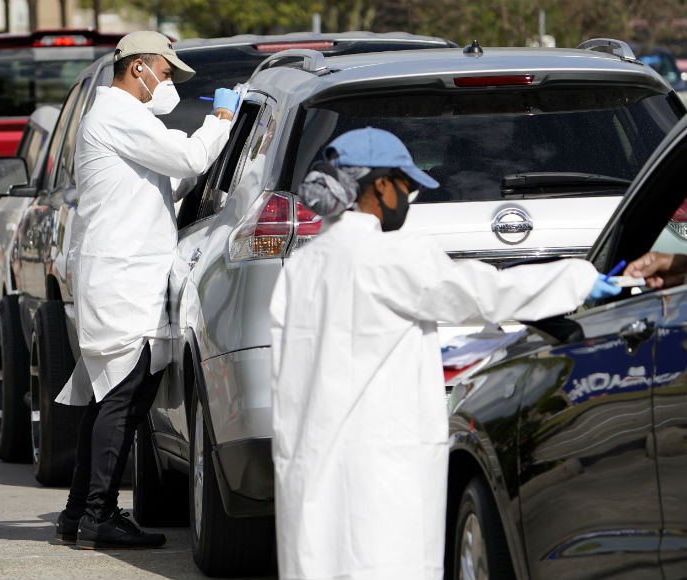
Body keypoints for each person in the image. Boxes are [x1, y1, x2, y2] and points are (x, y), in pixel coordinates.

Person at [268, 127, 620, 580]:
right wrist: (580, 280)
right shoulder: (386, 257)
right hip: (380, 473)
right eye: (406, 185)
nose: (409, 197)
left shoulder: (300, 268)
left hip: (310, 473)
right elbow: (482, 292)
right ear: (380, 185)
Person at [52, 31, 238, 550]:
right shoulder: (117, 115)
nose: (170, 82)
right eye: (166, 70)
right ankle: (98, 516)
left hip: (123, 275)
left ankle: (78, 513)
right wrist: (222, 120)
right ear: (138, 68)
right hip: (121, 278)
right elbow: (188, 161)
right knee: (124, 396)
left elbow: (165, 185)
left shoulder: (122, 119)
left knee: (110, 397)